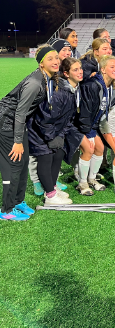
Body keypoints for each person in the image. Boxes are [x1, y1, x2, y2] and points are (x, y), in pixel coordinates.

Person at [0, 45, 59, 221]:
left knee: (23, 162)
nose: (55, 61)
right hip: (7, 124)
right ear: (41, 64)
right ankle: (6, 210)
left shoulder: (47, 78)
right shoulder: (35, 83)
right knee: (14, 165)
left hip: (17, 123)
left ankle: (18, 202)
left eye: (56, 57)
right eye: (50, 59)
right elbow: (19, 112)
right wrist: (18, 141)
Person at [27, 57, 84, 206]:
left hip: (51, 130)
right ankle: (50, 197)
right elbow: (44, 118)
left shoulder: (73, 89)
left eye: (80, 68)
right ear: (66, 73)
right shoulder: (60, 92)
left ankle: (51, 188)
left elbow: (67, 118)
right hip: (37, 129)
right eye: (75, 69)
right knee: (46, 157)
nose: (80, 72)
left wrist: (61, 134)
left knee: (58, 153)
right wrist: (52, 137)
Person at [76, 55, 115, 195]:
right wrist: (88, 132)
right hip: (80, 125)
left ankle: (91, 179)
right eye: (112, 67)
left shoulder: (112, 87)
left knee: (100, 148)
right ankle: (82, 183)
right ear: (103, 69)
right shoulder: (92, 86)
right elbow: (85, 111)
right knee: (89, 149)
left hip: (93, 125)